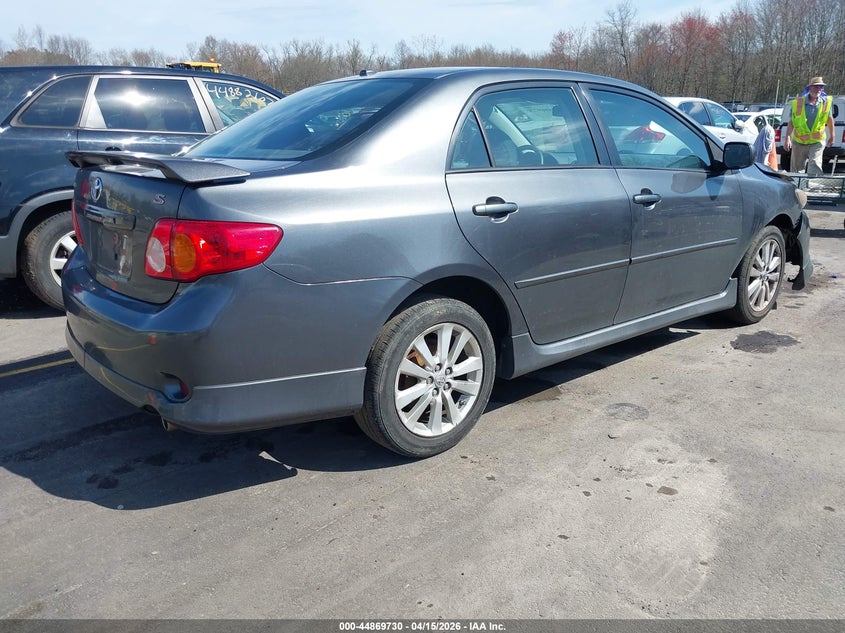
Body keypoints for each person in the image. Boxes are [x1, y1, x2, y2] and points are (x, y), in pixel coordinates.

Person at [784, 76, 835, 174]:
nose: (819, 89)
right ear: (810, 88)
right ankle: (797, 187)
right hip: (799, 141)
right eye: (816, 86)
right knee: (797, 169)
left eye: (821, 87)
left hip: (817, 141)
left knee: (815, 164)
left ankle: (813, 187)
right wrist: (787, 138)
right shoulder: (798, 103)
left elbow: (829, 119)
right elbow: (792, 122)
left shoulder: (825, 103)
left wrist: (832, 136)